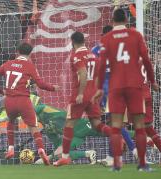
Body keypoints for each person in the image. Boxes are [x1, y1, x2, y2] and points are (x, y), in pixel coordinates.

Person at [92, 8, 158, 171]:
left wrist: (99, 88)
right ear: (127, 20)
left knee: (116, 125)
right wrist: (152, 81)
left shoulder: (106, 38)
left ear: (113, 21)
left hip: (115, 86)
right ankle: (142, 163)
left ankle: (116, 163)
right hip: (135, 86)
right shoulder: (136, 35)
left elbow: (101, 66)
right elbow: (147, 61)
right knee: (140, 126)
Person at [0, 42, 59, 165]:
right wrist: (53, 88)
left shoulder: (8, 63)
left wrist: (0, 91)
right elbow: (41, 84)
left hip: (9, 101)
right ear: (30, 53)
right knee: (33, 127)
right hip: (23, 100)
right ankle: (41, 150)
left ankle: (10, 148)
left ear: (17, 52)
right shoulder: (29, 66)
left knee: (11, 121)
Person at [53, 31, 112, 166]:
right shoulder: (93, 55)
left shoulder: (76, 55)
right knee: (97, 124)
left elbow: (83, 73)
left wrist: (80, 93)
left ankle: (65, 157)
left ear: (73, 42)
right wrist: (96, 93)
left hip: (80, 95)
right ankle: (117, 136)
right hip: (92, 95)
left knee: (69, 124)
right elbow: (97, 77)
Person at [92, 25, 138, 165]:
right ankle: (112, 157)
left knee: (114, 123)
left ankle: (134, 149)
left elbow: (95, 72)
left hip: (107, 89)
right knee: (115, 123)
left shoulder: (95, 50)